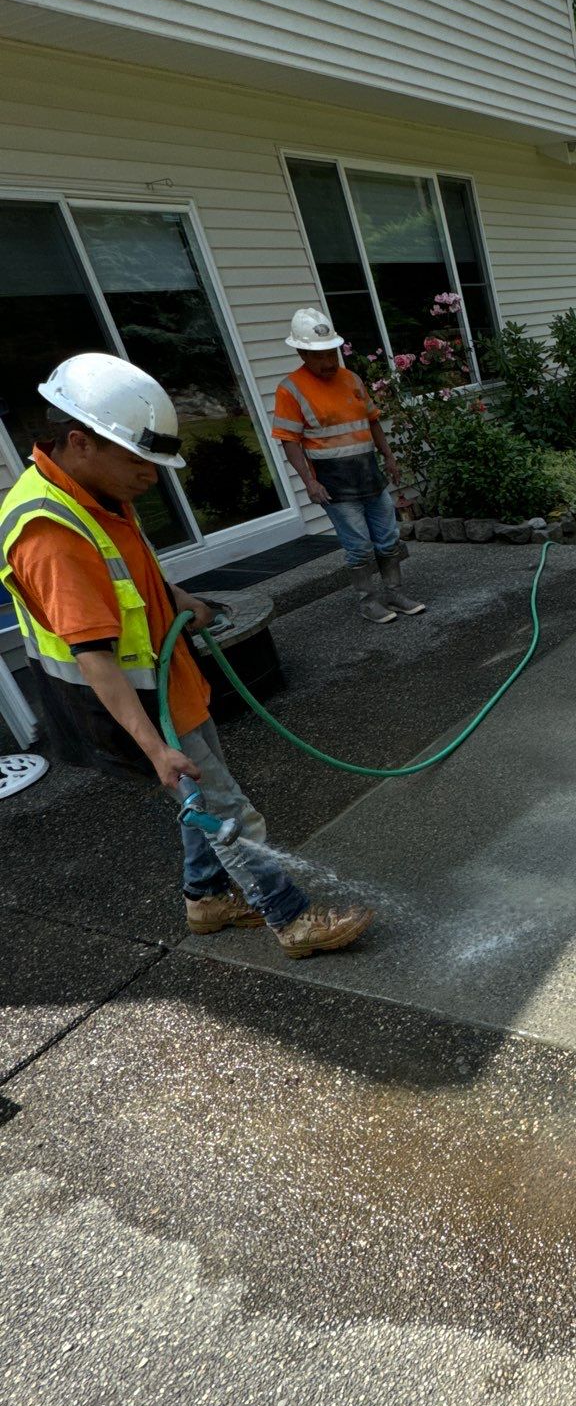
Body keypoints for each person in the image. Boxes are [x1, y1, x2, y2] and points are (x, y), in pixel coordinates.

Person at [0, 353, 374, 959]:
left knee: (201, 802)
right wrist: (155, 748)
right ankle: (293, 920)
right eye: (139, 461)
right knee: (227, 811)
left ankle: (204, 899)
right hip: (139, 709)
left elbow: (126, 577)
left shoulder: (94, 490)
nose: (152, 477)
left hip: (170, 687)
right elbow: (93, 655)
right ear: (79, 442)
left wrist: (178, 598)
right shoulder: (53, 534)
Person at [272, 309, 424, 624]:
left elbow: (372, 422)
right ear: (301, 352)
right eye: (319, 356)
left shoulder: (351, 379)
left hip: (369, 475)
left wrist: (389, 457)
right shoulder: (291, 389)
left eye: (331, 353)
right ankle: (369, 602)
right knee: (359, 548)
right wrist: (309, 483)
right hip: (335, 485)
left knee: (388, 539)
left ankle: (395, 593)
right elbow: (290, 440)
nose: (328, 362)